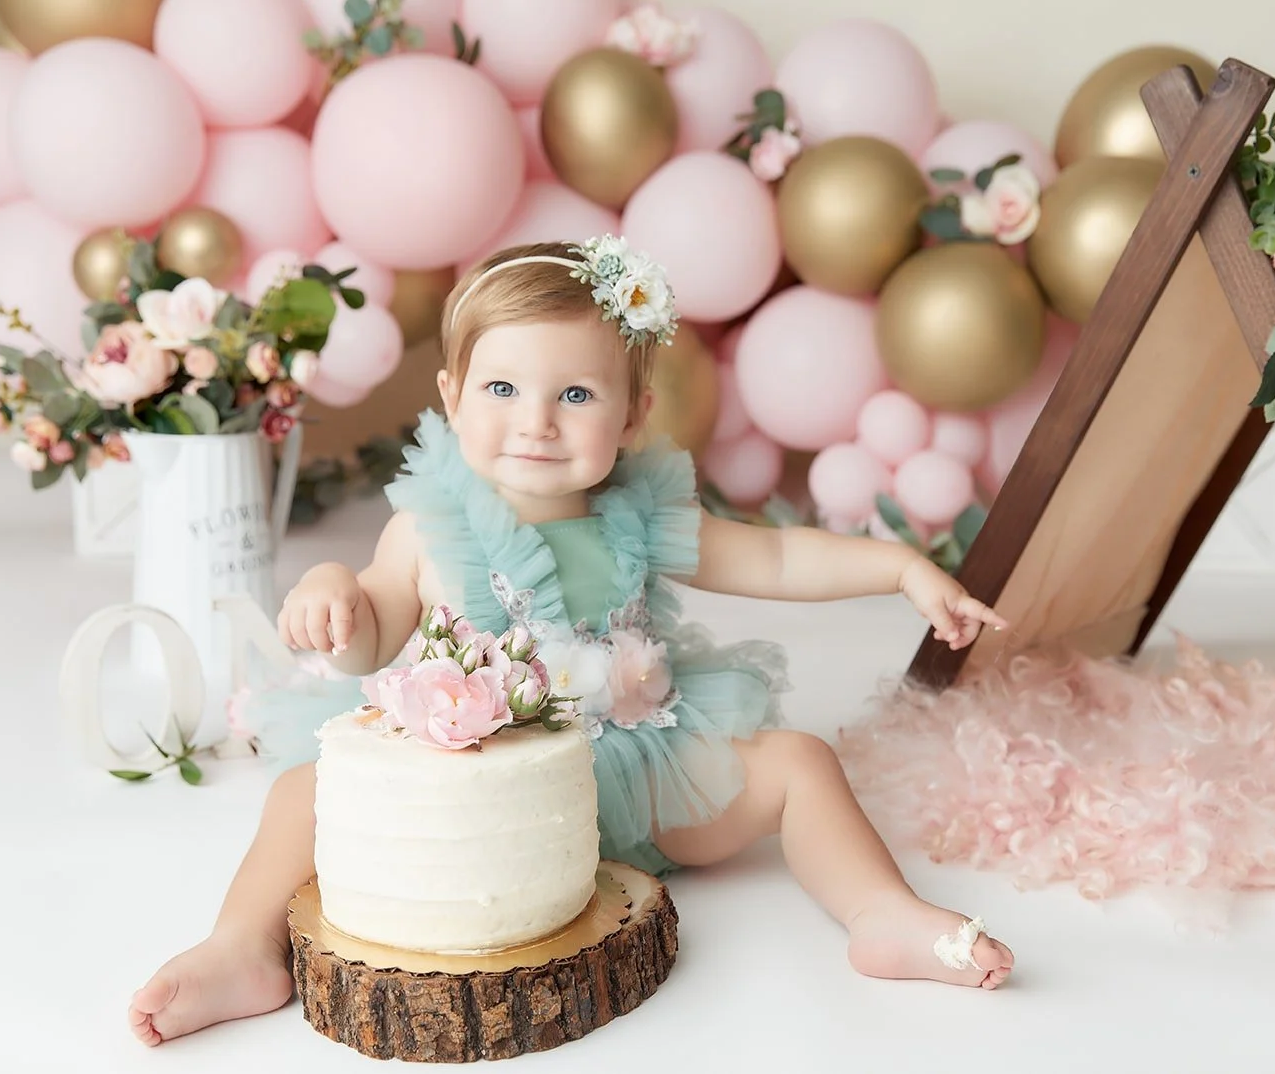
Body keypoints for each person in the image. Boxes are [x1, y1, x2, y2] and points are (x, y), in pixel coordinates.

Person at [129, 237, 1014, 1047]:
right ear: (451, 395)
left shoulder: (639, 513)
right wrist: (333, 593)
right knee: (301, 790)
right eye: (502, 389)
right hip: (472, 805)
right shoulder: (431, 530)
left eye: (577, 395)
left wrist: (901, 568)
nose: (536, 422)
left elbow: (776, 553)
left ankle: (880, 910)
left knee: (800, 762)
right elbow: (372, 628)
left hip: (636, 772)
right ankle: (241, 947)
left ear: (632, 416)